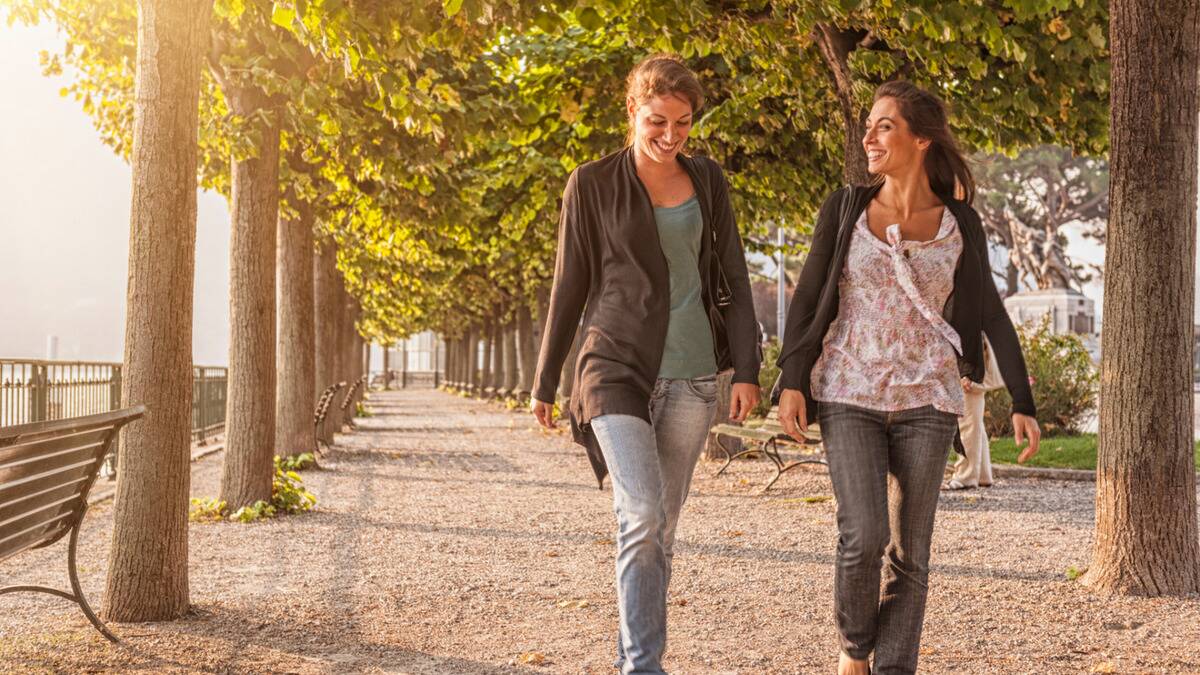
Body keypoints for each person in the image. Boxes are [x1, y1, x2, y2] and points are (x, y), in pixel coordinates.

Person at [773, 81, 1042, 675]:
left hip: (929, 396)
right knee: (863, 536)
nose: (869, 136)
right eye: (869, 125)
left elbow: (991, 309)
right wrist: (792, 378)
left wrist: (1022, 399)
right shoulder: (846, 208)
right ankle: (855, 651)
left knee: (911, 551)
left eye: (884, 125)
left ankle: (895, 667)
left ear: (921, 139)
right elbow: (810, 293)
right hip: (847, 388)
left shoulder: (960, 222)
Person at [530, 54, 762, 675]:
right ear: (632, 111)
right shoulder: (591, 182)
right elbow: (569, 285)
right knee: (642, 511)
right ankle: (642, 666)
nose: (670, 136)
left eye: (683, 124)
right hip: (613, 366)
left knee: (663, 524)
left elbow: (733, 277)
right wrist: (545, 381)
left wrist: (746, 368)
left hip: (691, 376)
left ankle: (641, 653)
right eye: (658, 121)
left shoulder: (708, 179)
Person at [944, 337, 1005, 490]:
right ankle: (982, 475)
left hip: (971, 372)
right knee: (974, 422)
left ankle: (966, 477)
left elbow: (973, 339)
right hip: (975, 368)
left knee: (967, 424)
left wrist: (966, 373)